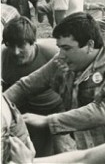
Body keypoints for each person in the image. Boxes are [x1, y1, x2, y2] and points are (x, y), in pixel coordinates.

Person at [3, 12, 105, 150]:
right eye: (60, 48)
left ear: (89, 45)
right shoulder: (63, 60)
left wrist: (48, 121)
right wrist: (2, 109)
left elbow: (104, 110)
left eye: (67, 48)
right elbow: (26, 86)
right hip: (85, 148)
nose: (61, 54)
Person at [1, 17, 66, 156]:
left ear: (33, 42)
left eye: (21, 45)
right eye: (10, 45)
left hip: (55, 109)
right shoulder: (2, 57)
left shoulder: (52, 53)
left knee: (63, 150)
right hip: (23, 113)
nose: (15, 51)